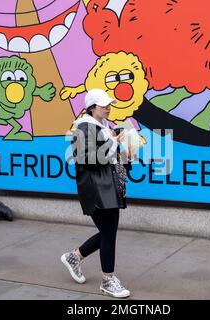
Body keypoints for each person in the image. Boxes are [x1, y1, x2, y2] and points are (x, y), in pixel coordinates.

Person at [60, 88, 135, 298]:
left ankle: (75, 257)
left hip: (108, 187)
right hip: (96, 189)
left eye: (109, 104)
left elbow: (110, 157)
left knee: (108, 232)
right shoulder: (83, 129)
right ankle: (107, 280)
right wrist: (114, 143)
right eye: (104, 104)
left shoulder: (102, 126)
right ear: (92, 107)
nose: (108, 107)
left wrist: (127, 154)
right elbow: (89, 161)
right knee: (109, 233)